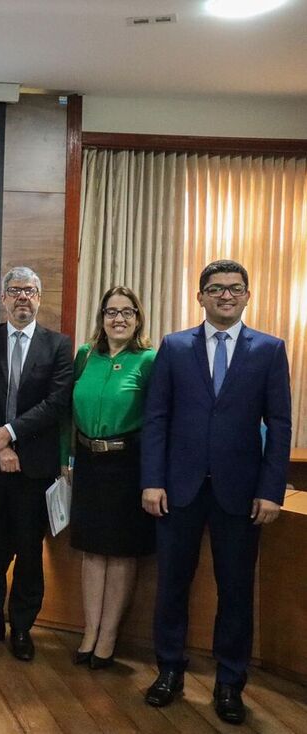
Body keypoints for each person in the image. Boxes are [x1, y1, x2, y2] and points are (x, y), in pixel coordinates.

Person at [141, 259, 291, 725]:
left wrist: (271, 490)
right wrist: (152, 480)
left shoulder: (269, 349)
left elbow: (280, 424)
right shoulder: (174, 346)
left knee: (236, 591)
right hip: (178, 489)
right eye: (216, 288)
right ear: (200, 296)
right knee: (171, 586)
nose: (226, 295)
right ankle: (169, 671)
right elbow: (157, 418)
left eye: (235, 288)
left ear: (247, 296)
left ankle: (229, 682)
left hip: (240, 494)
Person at [0, 266, 72, 662]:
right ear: (3, 298)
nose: (23, 297)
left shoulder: (58, 345)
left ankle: (22, 626)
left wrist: (10, 433)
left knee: (28, 550)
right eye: (15, 290)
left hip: (34, 467)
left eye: (30, 291)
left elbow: (56, 403)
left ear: (40, 299)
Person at [67, 286, 155, 669]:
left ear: (138, 318)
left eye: (127, 312)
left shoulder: (150, 359)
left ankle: (108, 637)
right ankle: (89, 631)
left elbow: (157, 423)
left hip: (127, 465)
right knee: (91, 550)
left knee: (119, 553)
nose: (118, 319)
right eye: (110, 312)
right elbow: (66, 413)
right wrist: (64, 460)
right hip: (87, 463)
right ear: (101, 318)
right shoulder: (86, 356)